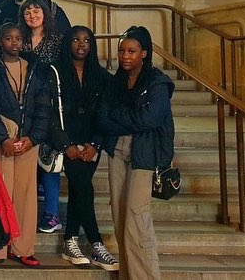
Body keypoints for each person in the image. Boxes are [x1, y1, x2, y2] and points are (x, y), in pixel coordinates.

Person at [97, 26, 174, 280]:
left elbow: (151, 119)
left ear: (144, 53)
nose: (125, 56)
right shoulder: (116, 81)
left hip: (144, 153)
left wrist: (120, 117)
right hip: (118, 151)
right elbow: (102, 118)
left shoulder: (157, 81)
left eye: (131, 51)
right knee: (120, 219)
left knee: (136, 220)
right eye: (121, 51)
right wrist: (130, 118)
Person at [0, 23, 53, 268]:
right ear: (0, 41)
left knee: (26, 196)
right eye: (8, 38)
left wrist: (32, 139)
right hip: (1, 141)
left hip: (28, 140)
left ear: (24, 42)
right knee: (0, 194)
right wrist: (3, 138)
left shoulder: (35, 70)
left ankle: (23, 248)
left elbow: (44, 107)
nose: (14, 42)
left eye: (18, 39)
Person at [54, 26, 119, 271]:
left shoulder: (103, 77)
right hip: (67, 141)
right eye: (75, 40)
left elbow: (107, 114)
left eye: (86, 40)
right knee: (83, 187)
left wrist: (95, 144)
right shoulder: (56, 72)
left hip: (91, 142)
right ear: (67, 43)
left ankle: (70, 240)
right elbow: (51, 113)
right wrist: (66, 144)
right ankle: (96, 242)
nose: (81, 44)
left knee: (80, 189)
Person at [17, 0, 65, 234]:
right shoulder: (19, 39)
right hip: (25, 103)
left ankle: (51, 214)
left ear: (45, 14)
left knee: (49, 159)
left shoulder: (57, 40)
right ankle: (26, 214)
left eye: (36, 11)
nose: (32, 15)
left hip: (50, 104)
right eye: (27, 12)